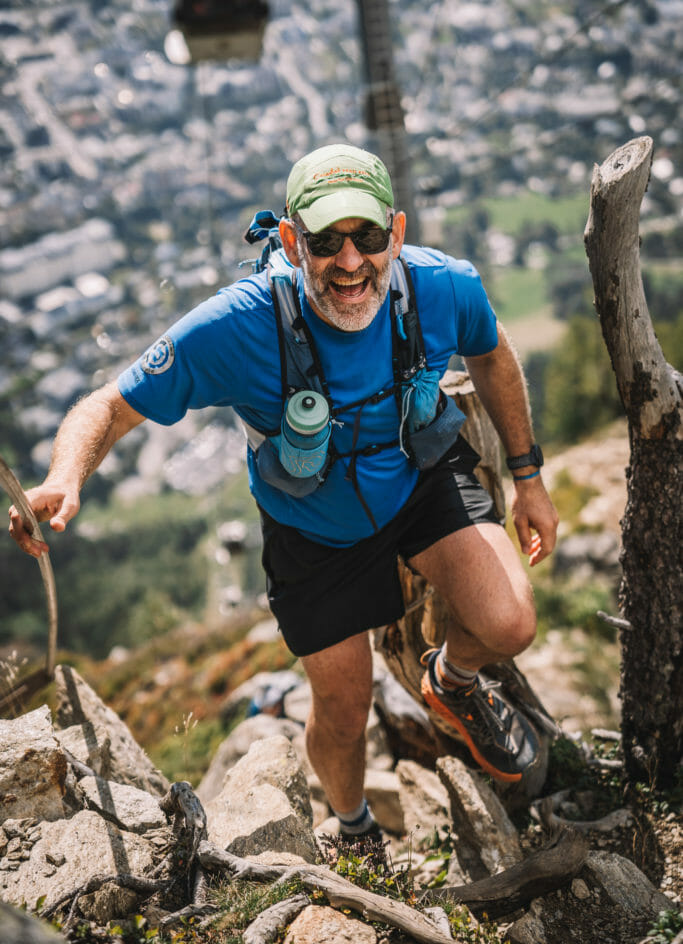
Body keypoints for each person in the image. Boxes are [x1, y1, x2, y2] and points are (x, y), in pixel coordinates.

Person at [10, 144, 558, 840]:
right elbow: (110, 405)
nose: (350, 261)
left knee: (509, 623)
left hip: (417, 479)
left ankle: (450, 684)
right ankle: (355, 827)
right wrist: (65, 476)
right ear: (293, 241)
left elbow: (489, 349)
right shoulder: (239, 325)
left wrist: (528, 476)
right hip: (311, 524)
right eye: (326, 241)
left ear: (395, 230)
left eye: (365, 236)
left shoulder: (443, 286)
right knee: (341, 710)